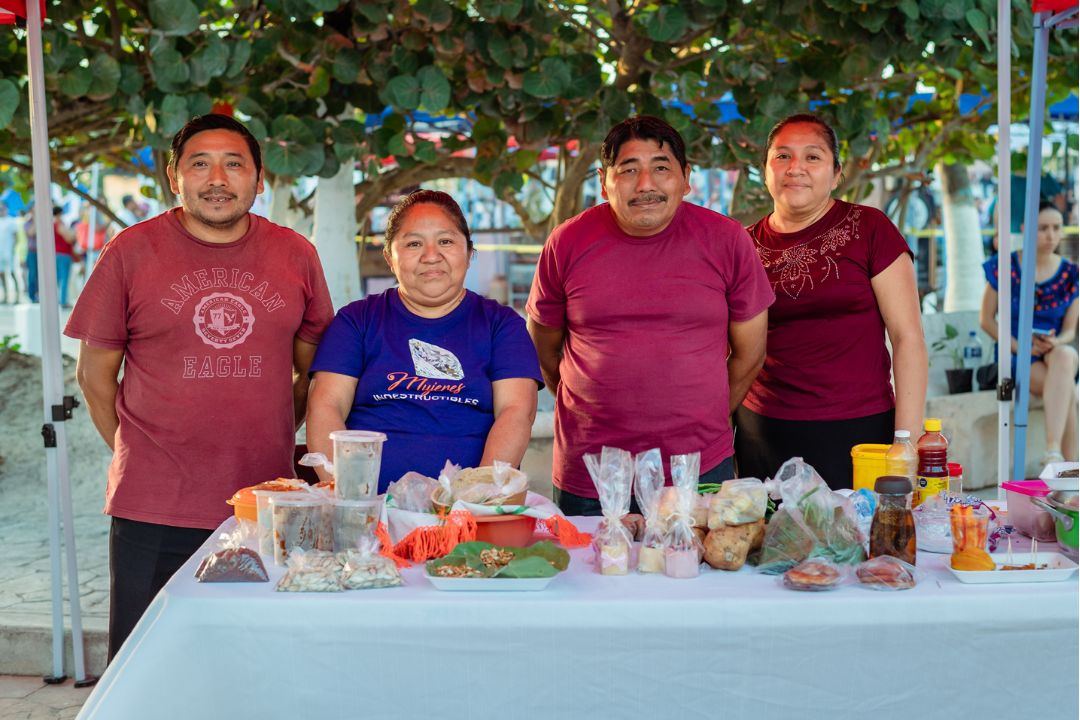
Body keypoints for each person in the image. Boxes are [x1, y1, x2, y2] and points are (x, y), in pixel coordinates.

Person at [64, 114, 334, 661]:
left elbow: (316, 369)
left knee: (254, 658)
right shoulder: (129, 252)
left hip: (264, 505)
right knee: (146, 660)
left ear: (260, 180)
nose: (218, 178)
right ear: (174, 176)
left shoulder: (296, 254)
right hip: (153, 506)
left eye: (234, 164)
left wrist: (280, 431)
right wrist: (140, 453)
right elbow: (94, 378)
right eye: (200, 163)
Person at [527, 116, 774, 516]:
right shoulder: (567, 242)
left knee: (700, 573)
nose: (646, 184)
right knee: (595, 575)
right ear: (604, 179)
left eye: (661, 167)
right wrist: (594, 408)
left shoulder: (728, 240)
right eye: (628, 170)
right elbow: (543, 350)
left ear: (686, 178)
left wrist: (704, 415)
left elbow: (751, 354)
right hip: (592, 472)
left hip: (698, 466)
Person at [735, 113, 927, 490]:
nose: (796, 169)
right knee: (769, 547)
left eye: (812, 157)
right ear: (766, 170)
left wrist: (906, 442)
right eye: (783, 156)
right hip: (763, 431)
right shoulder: (742, 245)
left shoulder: (870, 229)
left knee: (858, 545)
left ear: (836, 173)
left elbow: (908, 339)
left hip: (859, 433)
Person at [306, 190, 542, 491]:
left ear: (469, 253)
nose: (431, 256)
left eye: (445, 241)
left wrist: (476, 499)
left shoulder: (502, 325)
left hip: (469, 511)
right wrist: (350, 498)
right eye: (414, 243)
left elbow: (516, 413)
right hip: (369, 508)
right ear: (390, 257)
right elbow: (325, 406)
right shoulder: (356, 321)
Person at [980, 203, 1078, 463]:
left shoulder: (1071, 273)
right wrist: (1019, 347)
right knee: (1065, 387)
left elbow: (1070, 331)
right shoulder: (1006, 266)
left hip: (1053, 352)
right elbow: (986, 320)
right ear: (1025, 230)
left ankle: (1054, 452)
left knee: (1066, 354)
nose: (1051, 235)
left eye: (1056, 228)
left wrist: (1055, 341)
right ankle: (1069, 470)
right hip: (1015, 354)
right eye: (1043, 228)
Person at [52, 206, 77, 308]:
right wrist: (74, 233)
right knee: (64, 279)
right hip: (64, 254)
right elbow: (69, 238)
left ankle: (58, 300)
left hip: (57, 253)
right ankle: (63, 301)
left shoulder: (51, 224)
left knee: (58, 278)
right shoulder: (59, 224)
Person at [0, 204, 18, 303]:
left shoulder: (11, 221)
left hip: (9, 252)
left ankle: (17, 296)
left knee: (12, 273)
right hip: (0, 253)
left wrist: (13, 249)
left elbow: (16, 237)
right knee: (1, 275)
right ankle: (5, 296)